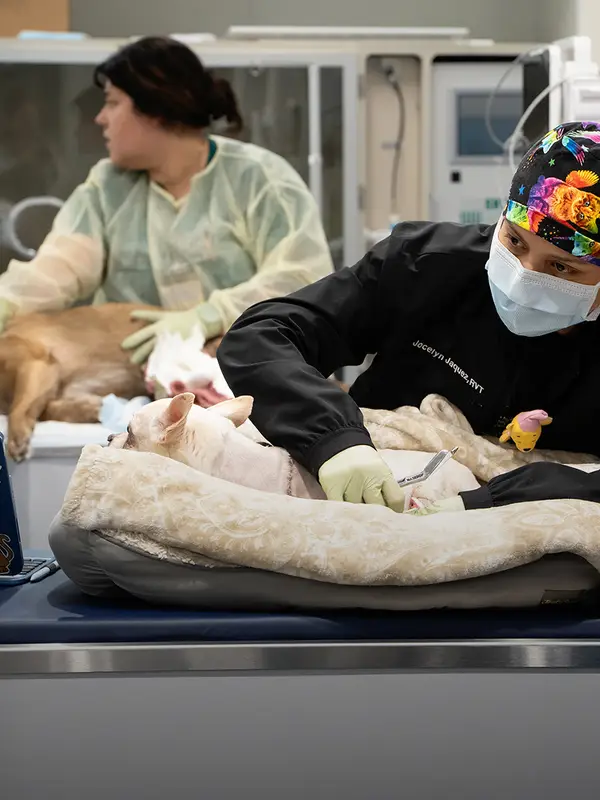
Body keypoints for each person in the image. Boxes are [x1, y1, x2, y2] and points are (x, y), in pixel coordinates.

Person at [218, 120, 600, 512]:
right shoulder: (428, 264)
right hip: (369, 487)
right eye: (514, 241)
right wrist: (333, 438)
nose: (522, 276)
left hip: (536, 536)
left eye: (561, 268)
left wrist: (488, 501)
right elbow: (264, 334)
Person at [0, 36, 334, 364]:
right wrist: (6, 303)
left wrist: (212, 315)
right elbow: (56, 271)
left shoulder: (260, 178)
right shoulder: (106, 188)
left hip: (246, 377)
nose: (100, 118)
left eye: (113, 103)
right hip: (133, 383)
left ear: (156, 109)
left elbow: (303, 278)